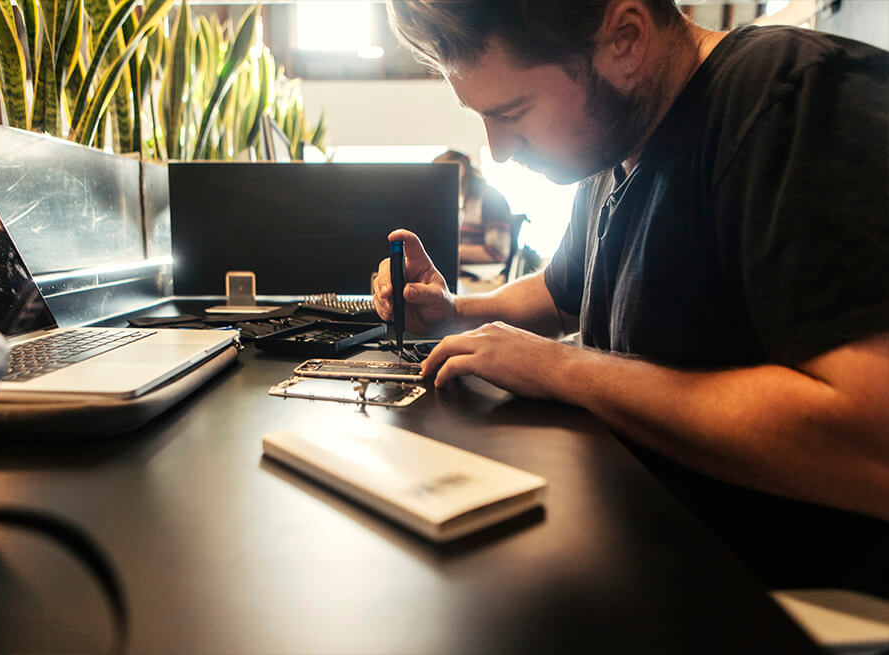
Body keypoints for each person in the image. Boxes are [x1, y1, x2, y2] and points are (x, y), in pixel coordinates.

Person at [373, 1, 889, 595]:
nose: (499, 150)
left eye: (513, 112)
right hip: (640, 544)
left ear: (624, 40)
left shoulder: (795, 103)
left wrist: (568, 369)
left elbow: (872, 439)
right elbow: (563, 291)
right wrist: (456, 311)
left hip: (789, 595)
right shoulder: (612, 143)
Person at [431, 150, 512, 266]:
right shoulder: (460, 202)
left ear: (461, 169)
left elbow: (496, 252)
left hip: (483, 277)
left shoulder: (491, 199)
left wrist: (445, 251)